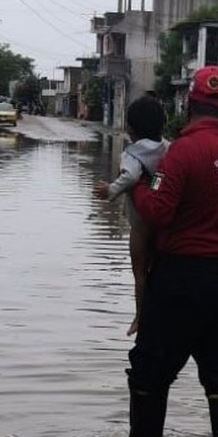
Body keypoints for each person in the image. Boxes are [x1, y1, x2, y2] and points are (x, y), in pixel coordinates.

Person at [121, 66, 218, 437]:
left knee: (151, 367)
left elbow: (159, 211)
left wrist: (140, 185)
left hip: (180, 279)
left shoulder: (183, 151)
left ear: (189, 105)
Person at [94, 96, 169, 335]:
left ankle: (140, 317)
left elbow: (130, 177)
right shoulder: (170, 148)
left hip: (140, 225)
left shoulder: (132, 154)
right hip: (163, 222)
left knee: (139, 273)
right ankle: (160, 313)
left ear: (130, 129)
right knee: (159, 269)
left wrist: (110, 190)